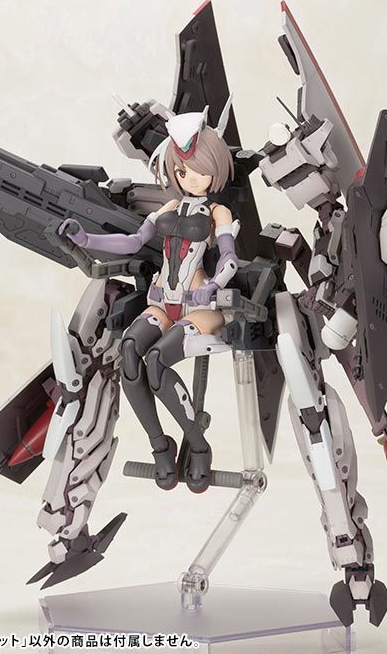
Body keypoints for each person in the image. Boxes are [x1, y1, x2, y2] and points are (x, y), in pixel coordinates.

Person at [57, 104, 238, 493]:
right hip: (162, 302)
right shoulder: (169, 207)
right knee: (129, 355)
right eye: (182, 170)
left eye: (198, 169)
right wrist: (86, 239)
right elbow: (132, 241)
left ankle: (198, 445)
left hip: (199, 306)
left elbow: (229, 258)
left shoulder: (218, 212)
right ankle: (160, 446)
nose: (189, 176)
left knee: (157, 361)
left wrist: (214, 284)